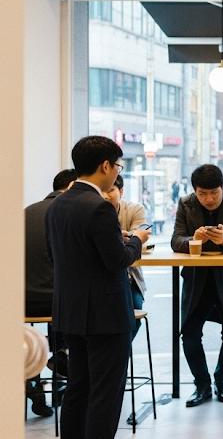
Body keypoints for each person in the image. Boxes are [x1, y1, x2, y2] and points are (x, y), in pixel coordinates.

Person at [45, 135, 150, 438]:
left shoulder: (57, 204)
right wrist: (135, 241)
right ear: (106, 165)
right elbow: (117, 260)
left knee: (78, 388)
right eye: (118, 166)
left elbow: (55, 256)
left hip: (71, 311)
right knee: (106, 393)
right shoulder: (100, 207)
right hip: (105, 315)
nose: (118, 172)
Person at [170, 164, 223, 407]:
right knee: (189, 335)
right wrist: (193, 240)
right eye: (202, 193)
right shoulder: (186, 204)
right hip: (197, 280)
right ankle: (202, 384)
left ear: (222, 187)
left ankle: (221, 380)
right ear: (194, 191)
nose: (208, 199)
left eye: (214, 193)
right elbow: (176, 240)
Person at [24, 168, 77, 418]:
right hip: (59, 302)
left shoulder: (25, 212)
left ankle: (33, 381)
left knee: (29, 334)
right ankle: (61, 353)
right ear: (71, 187)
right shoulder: (69, 213)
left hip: (21, 303)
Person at [103, 174, 147, 339]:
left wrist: (130, 238)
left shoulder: (135, 209)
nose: (106, 195)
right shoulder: (93, 211)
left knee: (134, 312)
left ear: (121, 191)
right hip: (102, 279)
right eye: (102, 191)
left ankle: (117, 356)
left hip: (130, 278)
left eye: (110, 190)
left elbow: (142, 233)